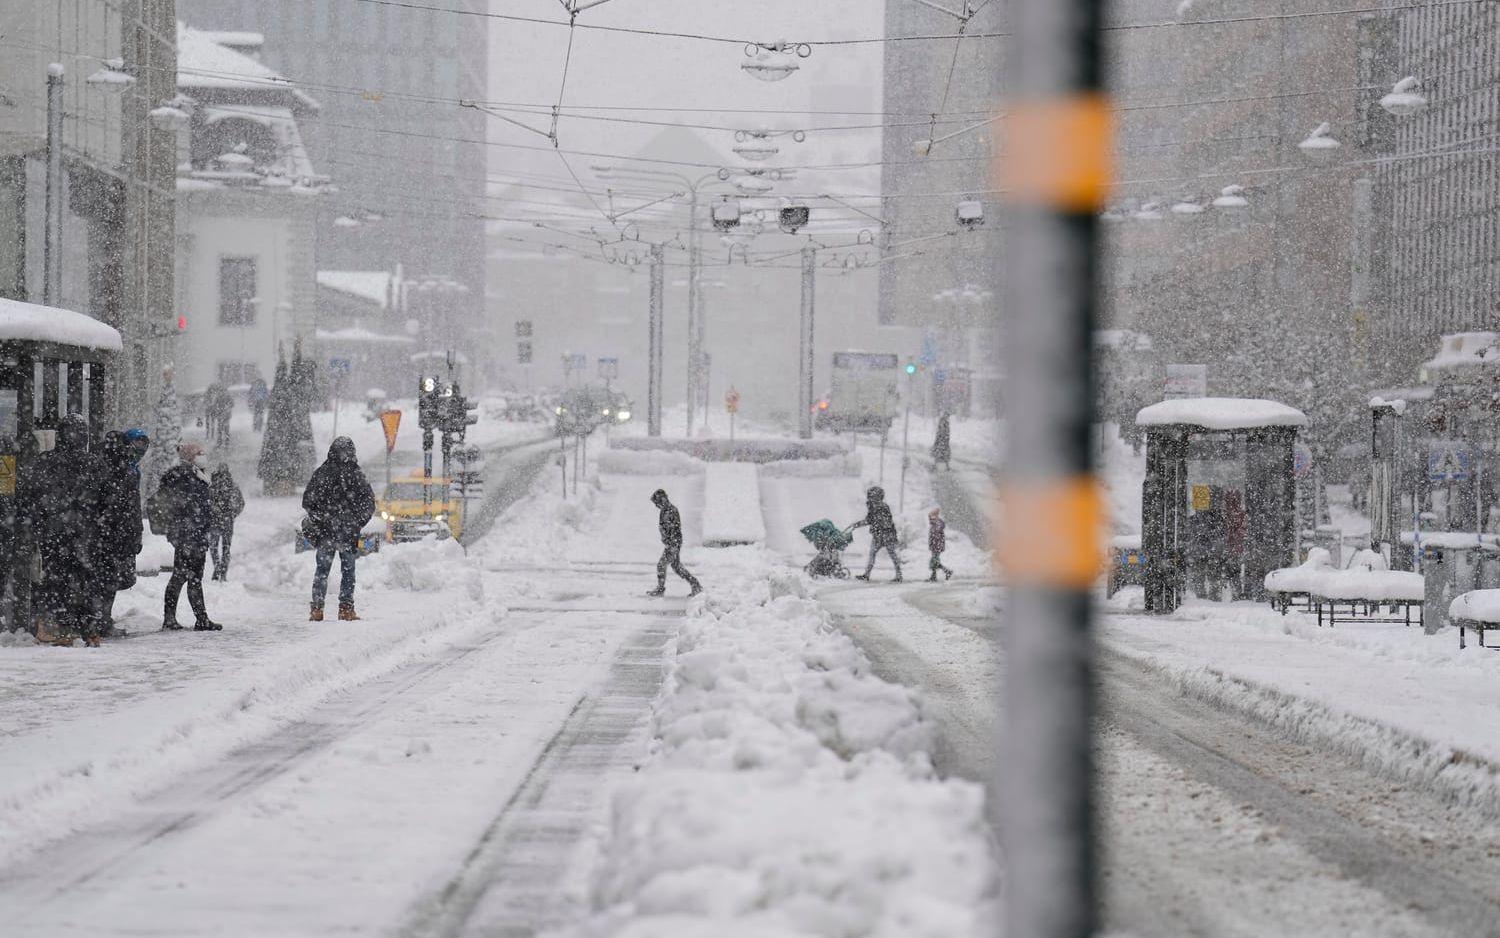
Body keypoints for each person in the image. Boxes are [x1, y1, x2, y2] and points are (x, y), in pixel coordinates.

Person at [19, 414, 105, 645]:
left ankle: (63, 628)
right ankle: (89, 629)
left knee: (57, 581)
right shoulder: (93, 463)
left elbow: (32, 496)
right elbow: (104, 499)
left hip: (54, 533)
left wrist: (38, 523)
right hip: (84, 533)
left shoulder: (45, 461)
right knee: (86, 580)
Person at [302, 436, 376, 621]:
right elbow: (369, 502)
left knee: (322, 571)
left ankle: (317, 609)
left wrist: (321, 518)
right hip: (347, 533)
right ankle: (345, 608)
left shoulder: (322, 473)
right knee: (348, 571)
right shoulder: (355, 474)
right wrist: (357, 521)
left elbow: (308, 501)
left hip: (327, 532)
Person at [153, 441, 221, 631]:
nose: (202, 456)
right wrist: (185, 529)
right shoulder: (183, 476)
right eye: (198, 453)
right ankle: (175, 618)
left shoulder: (197, 476)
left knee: (192, 577)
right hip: (187, 535)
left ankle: (199, 618)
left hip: (196, 535)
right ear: (190, 458)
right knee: (182, 576)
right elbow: (180, 507)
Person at [94, 429, 148, 635]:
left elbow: (132, 505)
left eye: (145, 445)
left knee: (111, 578)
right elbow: (125, 504)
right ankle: (101, 621)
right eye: (138, 444)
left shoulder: (128, 467)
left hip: (117, 531)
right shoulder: (121, 467)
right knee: (109, 578)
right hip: (115, 532)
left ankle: (102, 619)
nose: (141, 450)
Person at [648, 488, 701, 597]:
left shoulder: (671, 511)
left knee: (661, 565)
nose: (656, 506)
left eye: (657, 503)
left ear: (662, 499)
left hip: (673, 543)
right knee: (676, 566)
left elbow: (674, 528)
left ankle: (660, 588)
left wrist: (670, 542)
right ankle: (695, 584)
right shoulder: (665, 510)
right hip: (672, 543)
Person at [852, 485, 902, 582]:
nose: (870, 499)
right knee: (875, 554)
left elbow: (883, 522)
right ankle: (867, 574)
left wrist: (878, 526)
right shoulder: (874, 507)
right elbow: (870, 520)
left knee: (890, 554)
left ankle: (898, 575)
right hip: (881, 535)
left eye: (872, 496)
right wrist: (858, 524)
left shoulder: (882, 507)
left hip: (885, 535)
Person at [208, 462, 245, 582]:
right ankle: (223, 572)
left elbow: (206, 503)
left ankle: (217, 566)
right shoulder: (233, 486)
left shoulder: (212, 485)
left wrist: (211, 513)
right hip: (228, 521)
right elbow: (241, 503)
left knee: (213, 546)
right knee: (226, 548)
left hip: (214, 521)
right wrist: (233, 514)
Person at [926, 507, 953, 582]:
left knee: (934, 561)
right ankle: (934, 576)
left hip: (937, 546)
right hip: (935, 546)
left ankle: (947, 572)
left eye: (931, 517)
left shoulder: (938, 523)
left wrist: (934, 545)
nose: (930, 518)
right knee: (934, 561)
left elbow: (936, 536)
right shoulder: (935, 523)